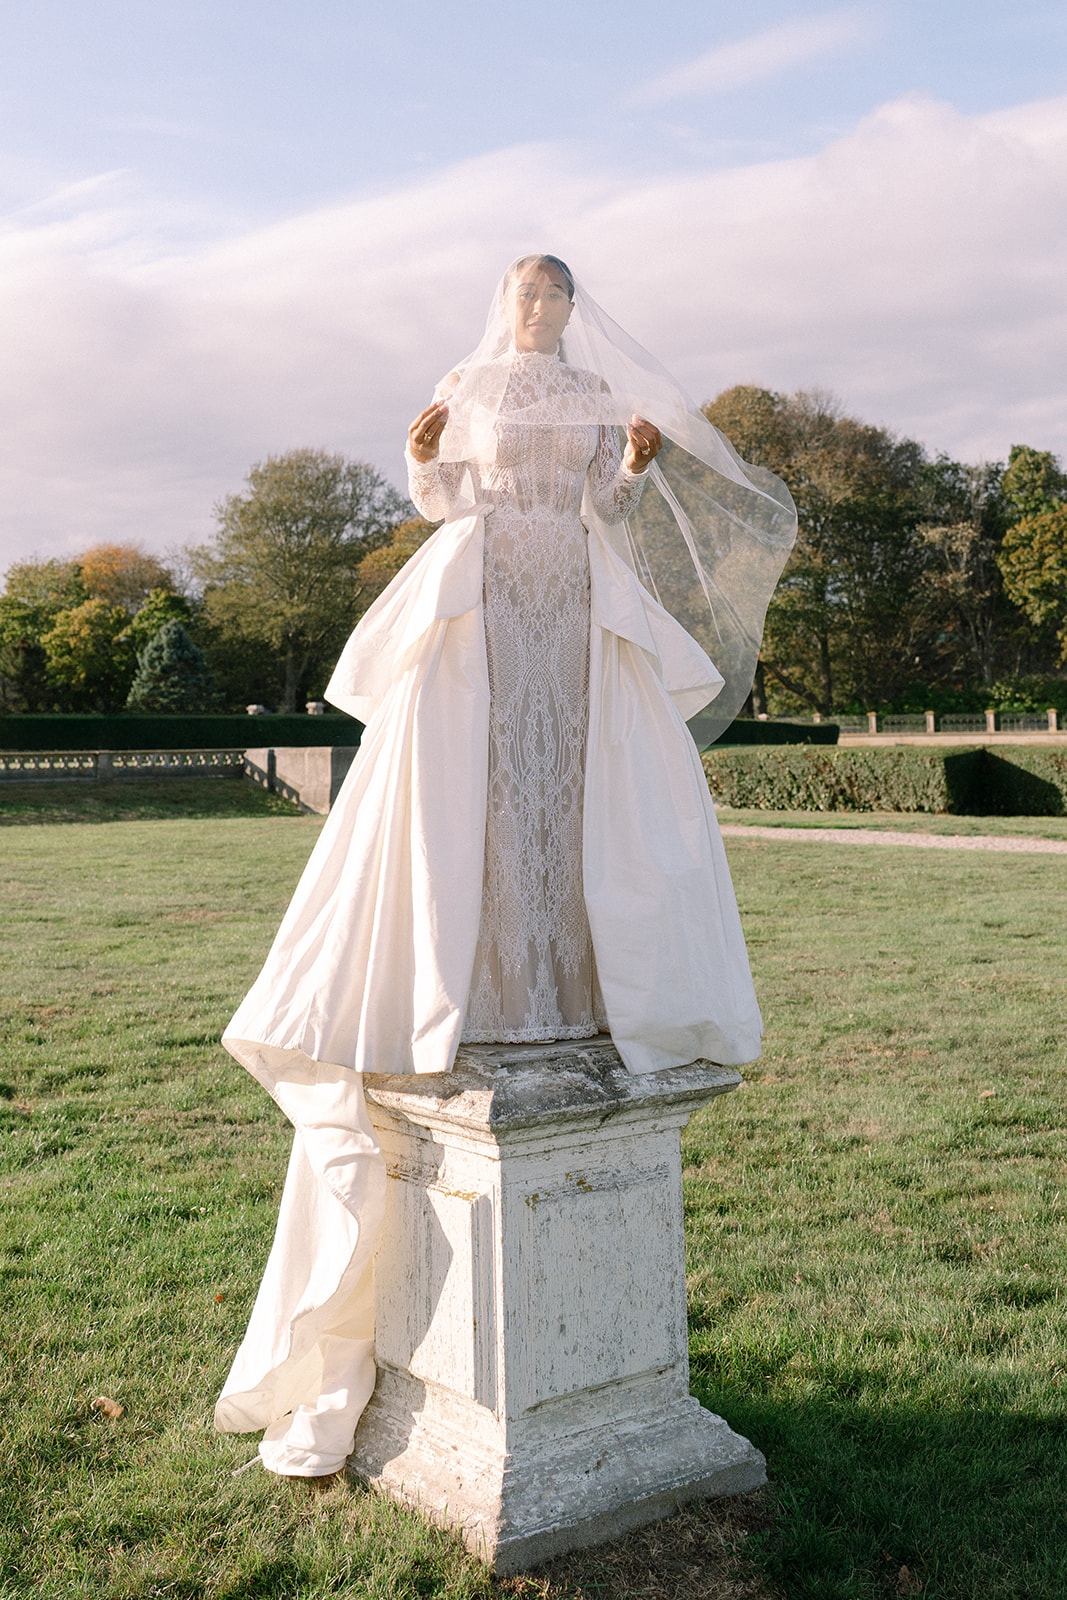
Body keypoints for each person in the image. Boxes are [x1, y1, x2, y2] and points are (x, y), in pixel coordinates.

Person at [214, 254, 797, 1479]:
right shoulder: (465, 379)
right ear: (506, 303)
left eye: (556, 300)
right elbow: (437, 501)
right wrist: (422, 456)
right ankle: (479, 979)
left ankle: (571, 977)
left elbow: (609, 510)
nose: (541, 315)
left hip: (570, 586)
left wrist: (629, 466)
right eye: (529, 298)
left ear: (572, 311)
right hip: (485, 586)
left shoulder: (588, 392)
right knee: (479, 779)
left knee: (569, 778)